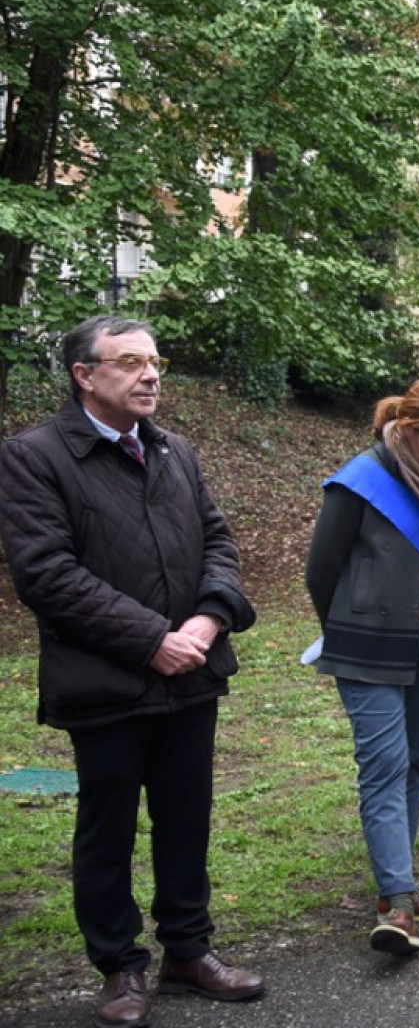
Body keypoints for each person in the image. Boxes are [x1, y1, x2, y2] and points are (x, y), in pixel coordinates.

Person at [0, 315, 265, 1025]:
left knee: (187, 819)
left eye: (156, 361)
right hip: (105, 681)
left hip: (193, 673)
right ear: (85, 375)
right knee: (108, 825)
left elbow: (218, 540)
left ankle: (188, 949)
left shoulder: (176, 450)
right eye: (130, 363)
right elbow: (46, 574)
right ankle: (118, 965)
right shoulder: (34, 456)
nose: (150, 375)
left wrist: (208, 621)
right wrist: (153, 639)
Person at [305, 380, 419, 957]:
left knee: (415, 764)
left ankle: (395, 886)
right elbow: (320, 572)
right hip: (368, 646)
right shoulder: (361, 481)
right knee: (384, 766)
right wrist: (354, 627)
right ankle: (399, 902)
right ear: (410, 429)